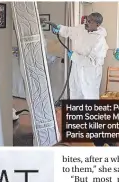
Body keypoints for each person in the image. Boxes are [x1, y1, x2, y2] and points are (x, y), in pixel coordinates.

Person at [47, 13, 111, 146]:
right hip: (76, 73)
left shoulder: (100, 41)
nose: (86, 22)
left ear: (97, 25)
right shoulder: (82, 28)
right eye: (87, 20)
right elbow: (70, 31)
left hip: (89, 77)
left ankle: (99, 140)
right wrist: (60, 28)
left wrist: (75, 56)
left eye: (90, 21)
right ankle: (73, 134)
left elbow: (93, 62)